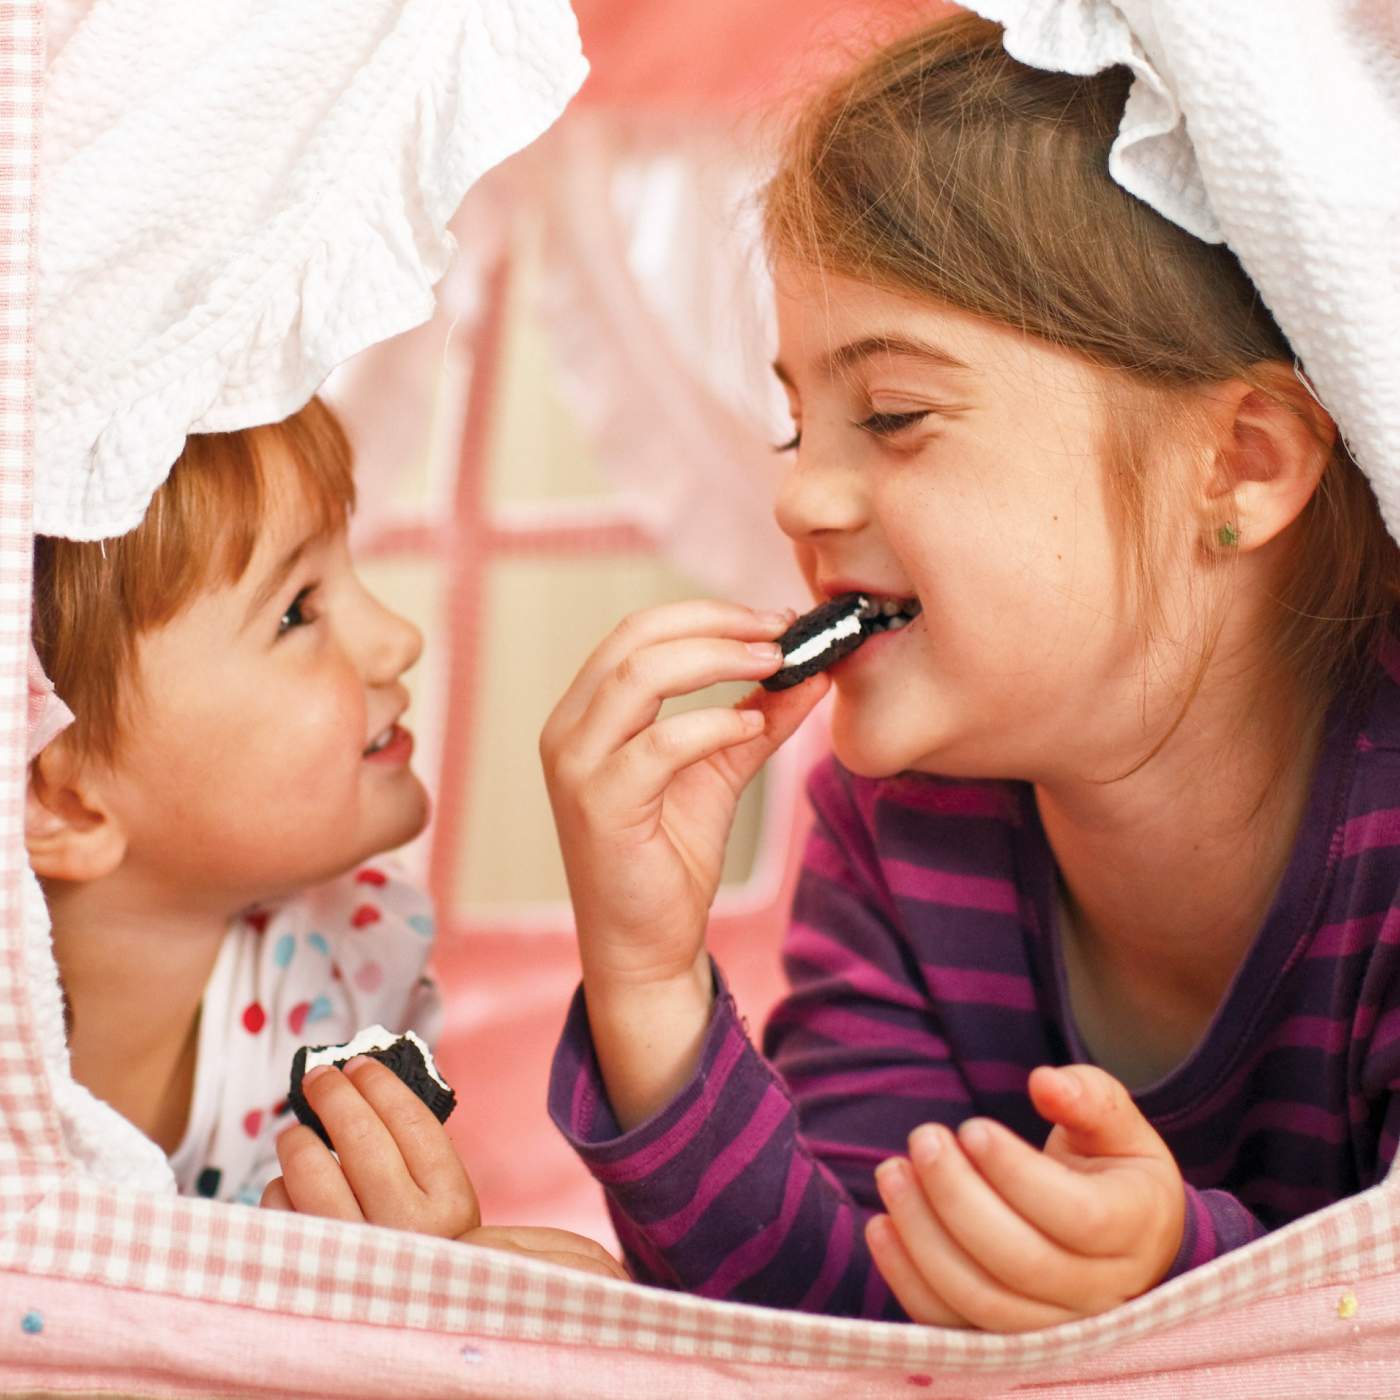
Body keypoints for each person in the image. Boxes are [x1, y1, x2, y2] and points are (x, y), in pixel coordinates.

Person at [540, 12, 1400, 1328]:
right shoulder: (897, 824)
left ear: (1239, 469)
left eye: (893, 416)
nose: (802, 499)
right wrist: (648, 980)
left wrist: (1172, 1289)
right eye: (794, 423)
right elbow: (820, 1322)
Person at [29, 397, 622, 1278]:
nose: (401, 639)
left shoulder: (347, 968)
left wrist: (420, 1257)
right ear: (69, 803)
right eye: (297, 611)